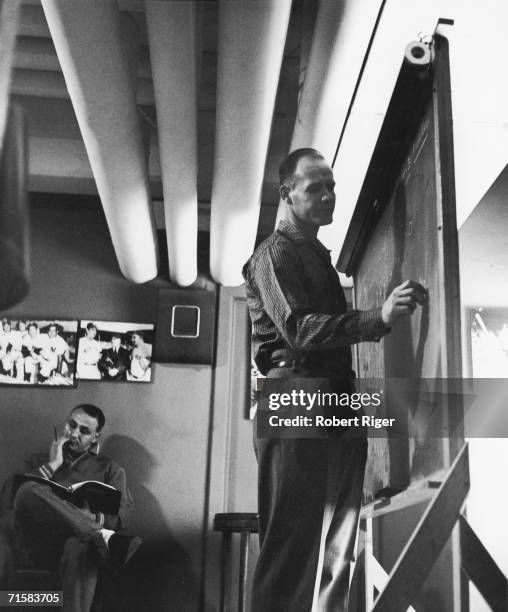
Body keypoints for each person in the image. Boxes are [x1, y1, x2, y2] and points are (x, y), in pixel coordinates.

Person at [242, 148, 427, 611]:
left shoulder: (315, 253)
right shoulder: (275, 252)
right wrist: (376, 319)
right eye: (315, 188)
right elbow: (299, 329)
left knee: (340, 542)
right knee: (291, 544)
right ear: (287, 194)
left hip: (334, 395)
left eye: (332, 188)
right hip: (295, 392)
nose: (327, 196)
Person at [8, 403, 141, 612]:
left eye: (84, 430)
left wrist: (94, 517)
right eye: (72, 425)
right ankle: (102, 537)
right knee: (29, 488)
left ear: (95, 437)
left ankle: (92, 533)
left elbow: (124, 514)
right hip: (36, 543)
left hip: (77, 545)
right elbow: (14, 498)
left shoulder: (110, 469)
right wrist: (53, 464)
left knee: (79, 547)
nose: (74, 433)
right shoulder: (38, 460)